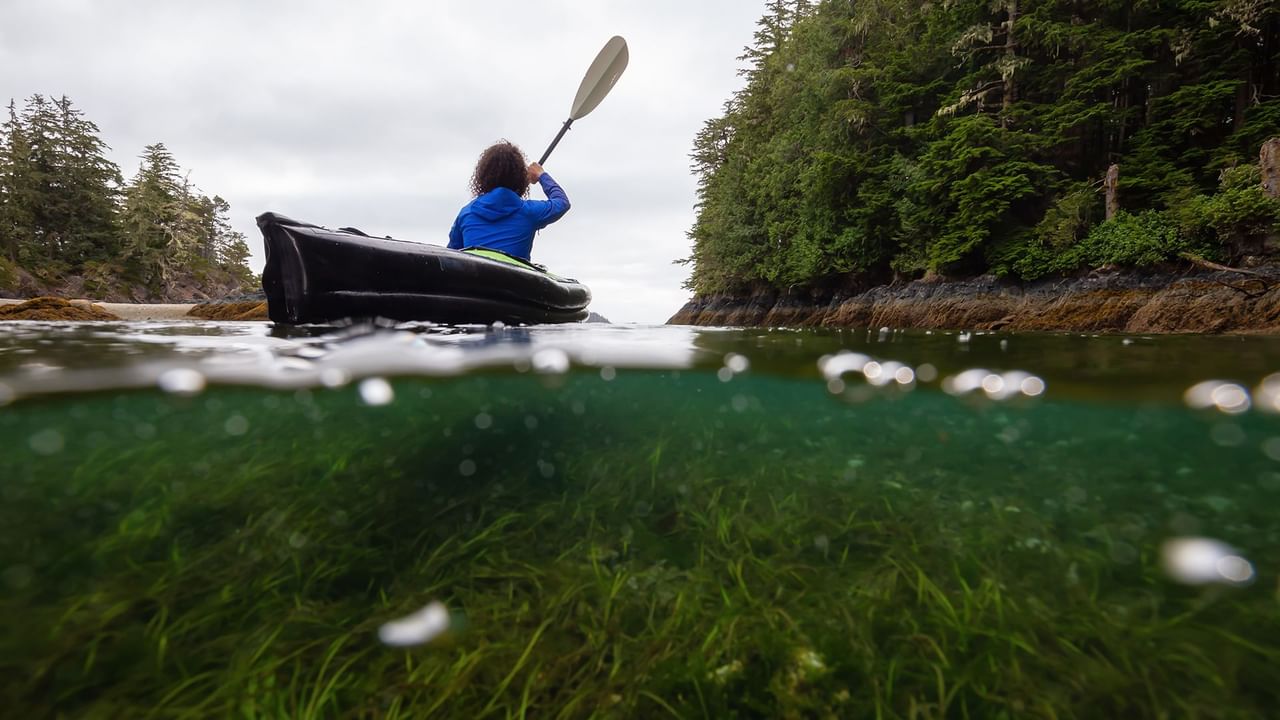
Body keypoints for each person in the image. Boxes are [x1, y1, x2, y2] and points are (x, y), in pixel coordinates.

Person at [447, 141, 570, 261]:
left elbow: (451, 255)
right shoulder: (529, 212)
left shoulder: (466, 214)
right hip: (514, 280)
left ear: (483, 176)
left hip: (474, 279)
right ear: (520, 177)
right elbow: (562, 202)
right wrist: (541, 175)